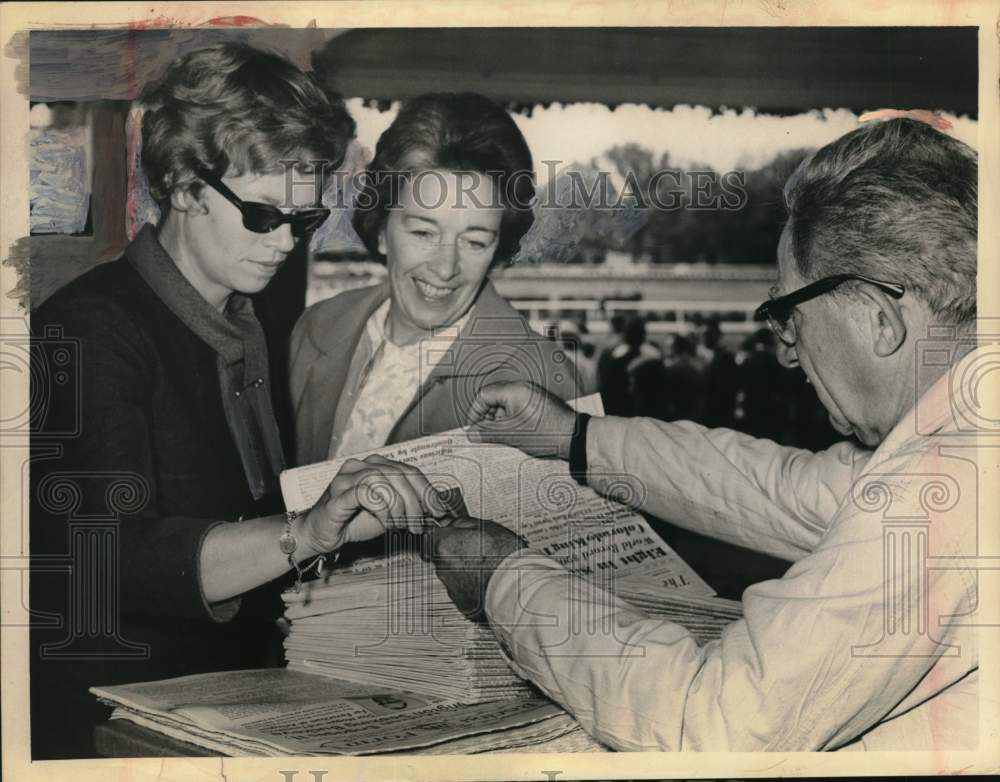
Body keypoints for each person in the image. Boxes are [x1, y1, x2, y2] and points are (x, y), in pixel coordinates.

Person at [429, 118, 984, 751]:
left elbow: (715, 726)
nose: (788, 353)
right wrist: (574, 438)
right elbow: (780, 489)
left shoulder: (944, 480)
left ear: (880, 321)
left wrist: (504, 580)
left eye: (788, 316)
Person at [29, 44, 446, 759]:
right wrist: (304, 532)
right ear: (187, 188)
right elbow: (113, 557)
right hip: (110, 724)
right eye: (263, 214)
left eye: (306, 220)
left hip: (233, 703)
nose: (285, 241)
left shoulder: (253, 310)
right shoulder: (87, 330)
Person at [289, 92, 579, 466]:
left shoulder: (542, 377)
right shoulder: (316, 328)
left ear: (498, 247)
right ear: (381, 228)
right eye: (423, 233)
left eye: (474, 241)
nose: (445, 269)